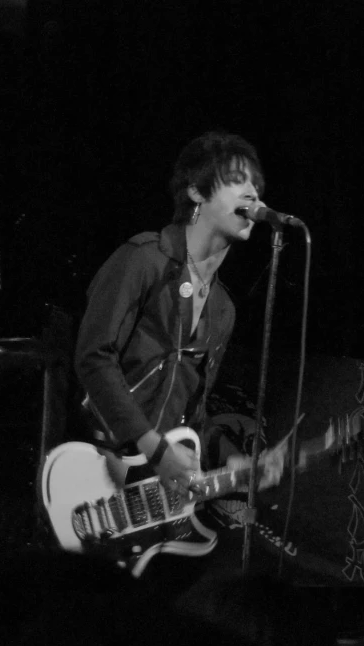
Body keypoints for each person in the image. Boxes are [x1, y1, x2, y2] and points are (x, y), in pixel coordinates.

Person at [74, 130, 284, 491]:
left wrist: (231, 458)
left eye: (256, 185)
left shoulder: (222, 311)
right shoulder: (143, 259)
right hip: (92, 468)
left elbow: (194, 414)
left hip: (147, 488)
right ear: (196, 192)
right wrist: (152, 446)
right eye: (237, 181)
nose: (253, 193)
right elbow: (93, 357)